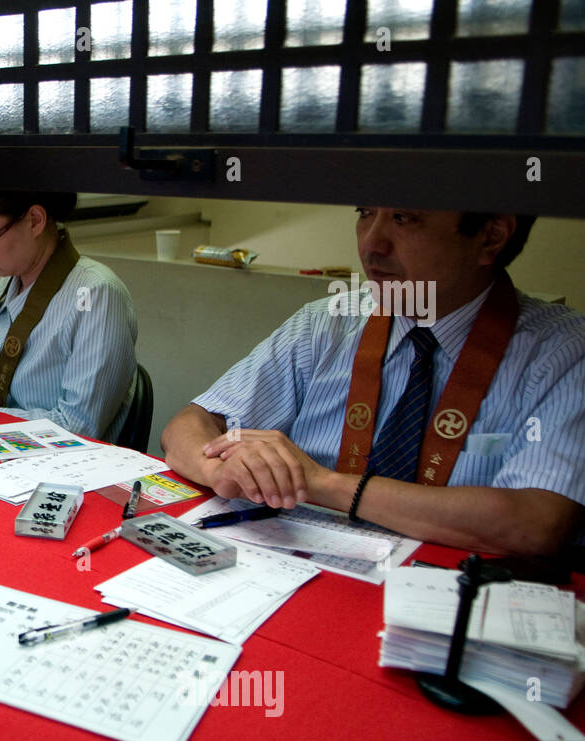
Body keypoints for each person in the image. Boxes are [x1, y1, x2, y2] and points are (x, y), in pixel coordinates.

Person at [162, 207, 584, 557]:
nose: (372, 244)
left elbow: (537, 524)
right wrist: (221, 470)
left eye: (404, 218)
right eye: (365, 213)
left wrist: (322, 483)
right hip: (298, 564)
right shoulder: (328, 321)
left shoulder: (562, 351)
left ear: (490, 237)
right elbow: (190, 423)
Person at [0, 189, 137, 443]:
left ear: (34, 221)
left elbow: (76, 427)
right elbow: (22, 377)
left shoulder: (96, 295)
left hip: (65, 469)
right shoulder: (15, 275)